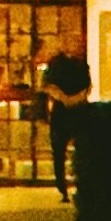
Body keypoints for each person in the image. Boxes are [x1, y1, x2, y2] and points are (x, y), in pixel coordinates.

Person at [40, 45, 94, 193]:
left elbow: (87, 86)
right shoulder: (57, 64)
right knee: (60, 149)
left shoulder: (79, 64)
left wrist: (65, 99)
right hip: (68, 111)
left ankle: (75, 182)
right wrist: (70, 99)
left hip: (71, 111)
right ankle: (63, 183)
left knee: (75, 148)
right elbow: (47, 86)